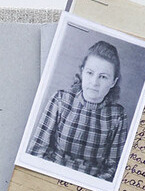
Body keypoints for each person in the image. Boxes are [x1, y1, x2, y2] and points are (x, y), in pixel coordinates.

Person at [27, 40, 128, 181]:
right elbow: (36, 151)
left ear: (113, 82)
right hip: (49, 177)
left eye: (103, 77)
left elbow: (112, 168)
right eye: (90, 73)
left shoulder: (117, 116)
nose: (94, 82)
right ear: (82, 71)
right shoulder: (61, 100)